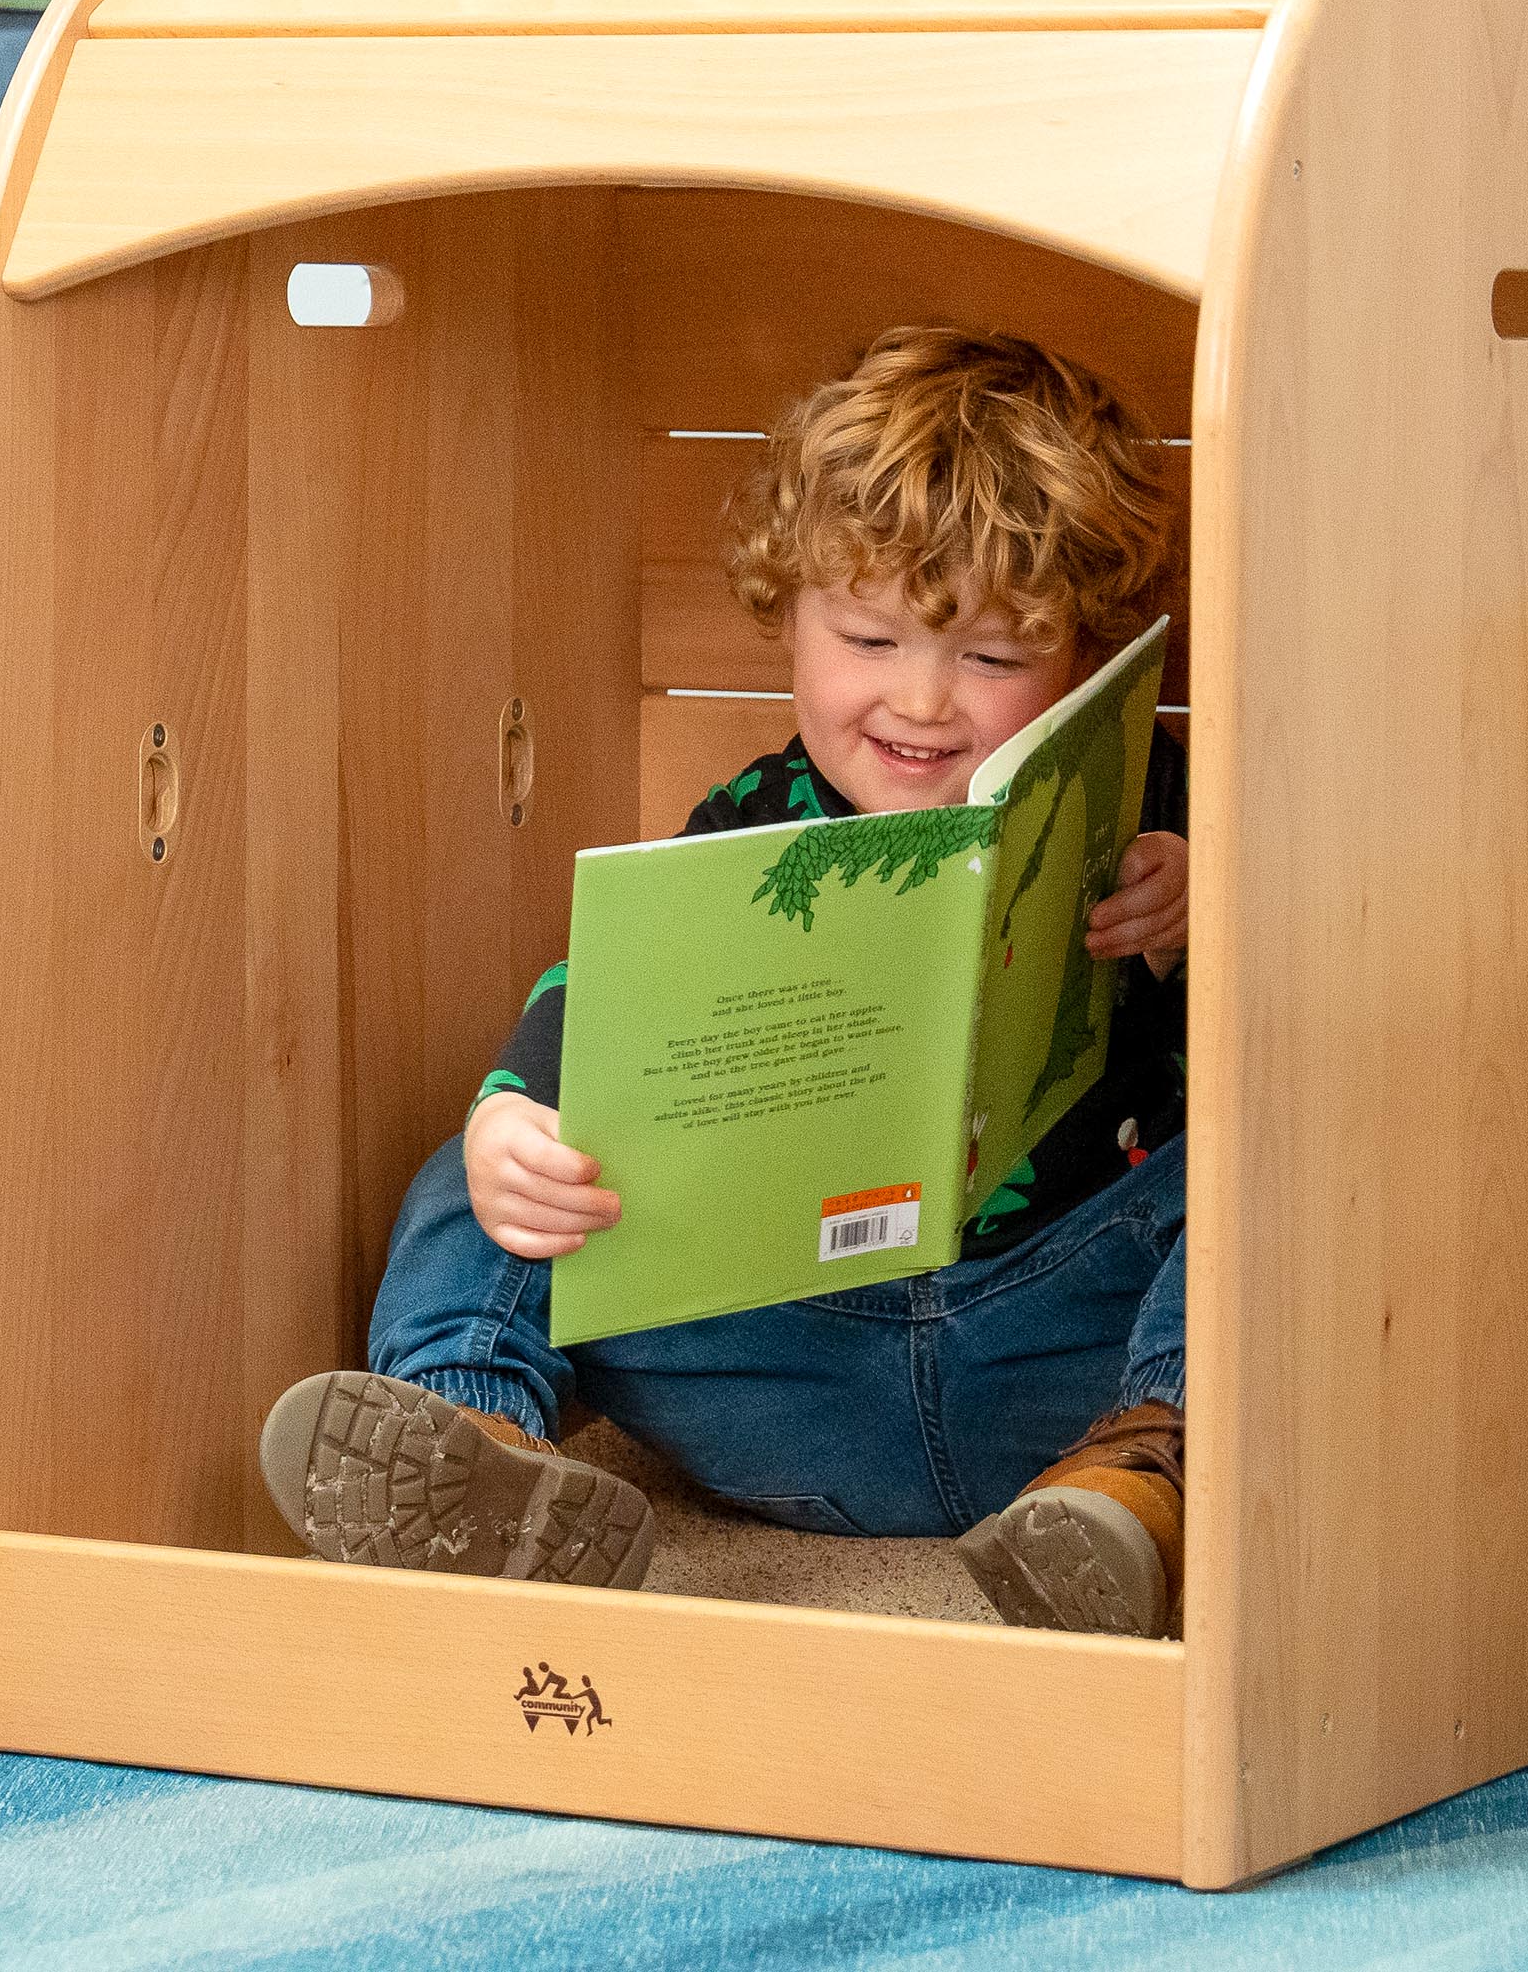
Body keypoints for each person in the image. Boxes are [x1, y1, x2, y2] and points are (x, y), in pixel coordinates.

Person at [260, 325, 1193, 1638]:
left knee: (1261, 1171)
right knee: (488, 1171)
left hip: (1060, 1367)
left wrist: (1210, 917)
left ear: (1086, 651)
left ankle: (1148, 1487)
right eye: (869, 637)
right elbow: (605, 999)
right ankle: (474, 1442)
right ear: (789, 617)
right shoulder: (753, 821)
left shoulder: (1154, 808)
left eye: (991, 658)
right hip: (785, 1366)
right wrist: (517, 1121)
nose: (925, 700)